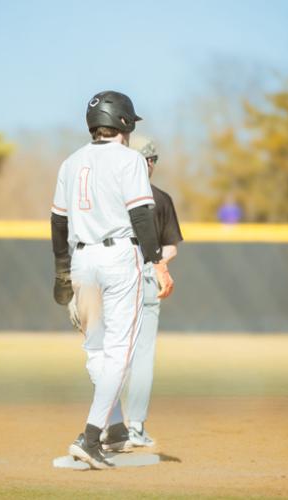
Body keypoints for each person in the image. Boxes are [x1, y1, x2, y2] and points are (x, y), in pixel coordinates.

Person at [51, 91, 174, 470]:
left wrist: (61, 270)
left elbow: (58, 222)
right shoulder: (129, 159)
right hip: (120, 256)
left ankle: (115, 427)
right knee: (121, 350)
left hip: (82, 259)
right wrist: (156, 262)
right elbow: (140, 215)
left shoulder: (71, 162)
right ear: (122, 123)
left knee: (95, 349)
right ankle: (91, 436)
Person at [124, 137, 183, 447]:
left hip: (112, 273)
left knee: (112, 352)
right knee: (142, 354)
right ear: (145, 162)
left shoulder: (112, 196)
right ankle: (134, 427)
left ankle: (107, 425)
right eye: (152, 158)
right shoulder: (159, 198)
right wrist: (159, 262)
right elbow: (170, 246)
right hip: (145, 273)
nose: (153, 164)